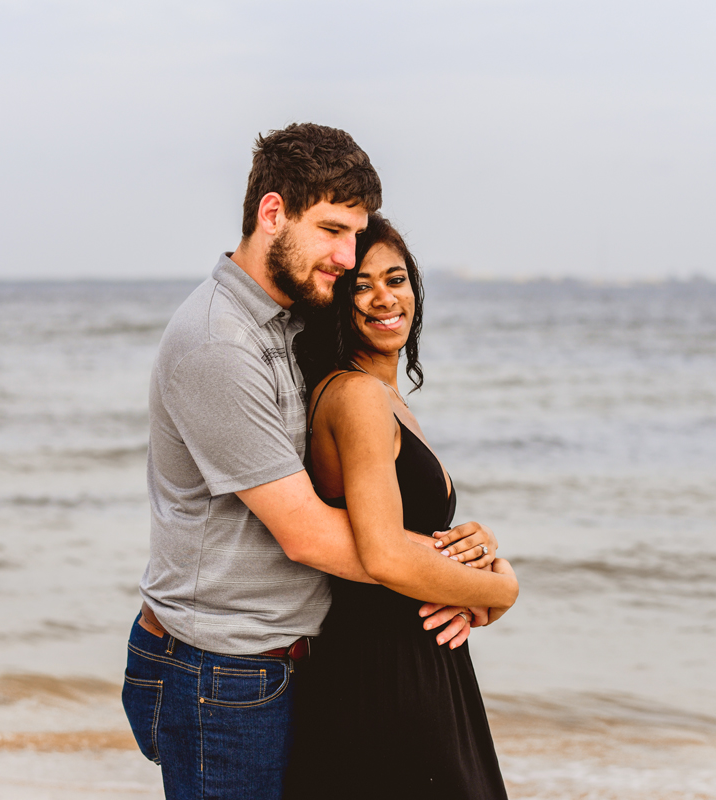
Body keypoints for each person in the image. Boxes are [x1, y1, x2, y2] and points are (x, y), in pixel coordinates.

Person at [120, 123, 501, 800]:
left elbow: (360, 493)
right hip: (223, 673)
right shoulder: (219, 345)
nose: (346, 255)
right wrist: (483, 586)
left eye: (355, 235)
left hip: (292, 660)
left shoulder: (291, 320)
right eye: (332, 230)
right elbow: (310, 532)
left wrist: (460, 555)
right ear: (273, 214)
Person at [286, 215, 518, 799]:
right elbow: (384, 555)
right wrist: (501, 589)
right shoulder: (357, 395)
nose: (385, 298)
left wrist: (473, 553)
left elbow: (406, 533)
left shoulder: (380, 395)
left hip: (412, 662)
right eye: (361, 284)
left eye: (397, 278)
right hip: (386, 674)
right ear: (336, 299)